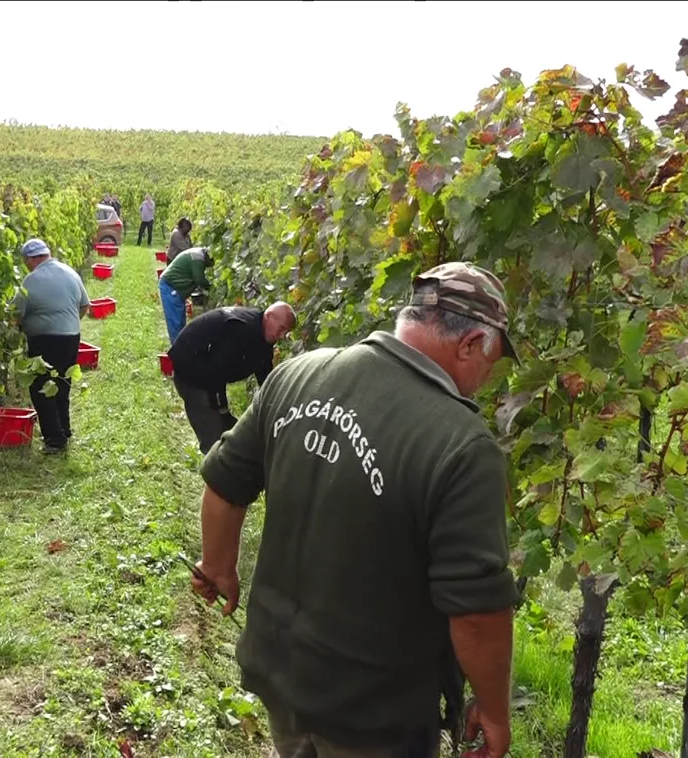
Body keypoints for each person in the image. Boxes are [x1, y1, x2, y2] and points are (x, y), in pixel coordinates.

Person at [191, 261, 520, 758]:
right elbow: (476, 612)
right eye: (491, 363)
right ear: (470, 343)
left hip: (280, 675)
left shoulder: (295, 376)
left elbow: (223, 484)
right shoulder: (461, 445)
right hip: (372, 712)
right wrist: (494, 710)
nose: (486, 380)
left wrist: (218, 567)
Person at [168, 302, 296, 453]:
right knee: (213, 435)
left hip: (208, 371)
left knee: (230, 430)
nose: (281, 336)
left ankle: (230, 466)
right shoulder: (241, 330)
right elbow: (216, 371)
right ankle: (213, 470)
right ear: (269, 316)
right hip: (192, 371)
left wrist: (280, 407)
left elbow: (265, 374)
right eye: (281, 329)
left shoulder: (262, 332)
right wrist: (221, 407)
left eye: (285, 332)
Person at [12, 238, 90, 454]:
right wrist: (68, 324)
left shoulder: (31, 280)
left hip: (44, 340)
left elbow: (15, 315)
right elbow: (85, 305)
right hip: (72, 336)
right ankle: (64, 429)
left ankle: (55, 440)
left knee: (40, 388)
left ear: (30, 259)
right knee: (62, 384)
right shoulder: (70, 272)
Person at [158, 246, 213, 344]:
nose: (211, 265)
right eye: (211, 262)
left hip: (175, 288)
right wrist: (211, 287)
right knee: (175, 320)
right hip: (170, 286)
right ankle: (176, 348)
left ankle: (181, 345)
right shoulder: (197, 259)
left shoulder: (199, 254)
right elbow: (199, 279)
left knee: (180, 319)